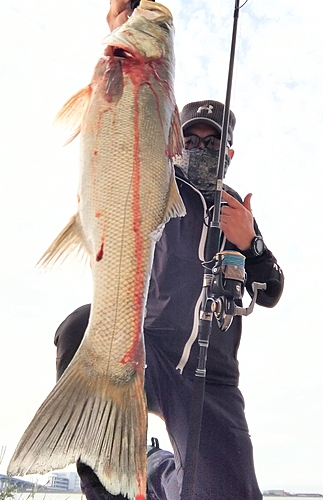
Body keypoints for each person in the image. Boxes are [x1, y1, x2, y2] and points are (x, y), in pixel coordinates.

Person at [54, 4, 284, 500]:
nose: (201, 145)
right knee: (79, 329)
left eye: (213, 139)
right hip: (147, 349)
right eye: (192, 136)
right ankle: (108, 483)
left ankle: (155, 464)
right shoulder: (162, 181)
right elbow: (132, 129)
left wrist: (252, 243)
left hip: (212, 377)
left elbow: (271, 290)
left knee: (226, 494)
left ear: (229, 152)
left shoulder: (237, 212)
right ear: (176, 137)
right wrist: (123, 30)